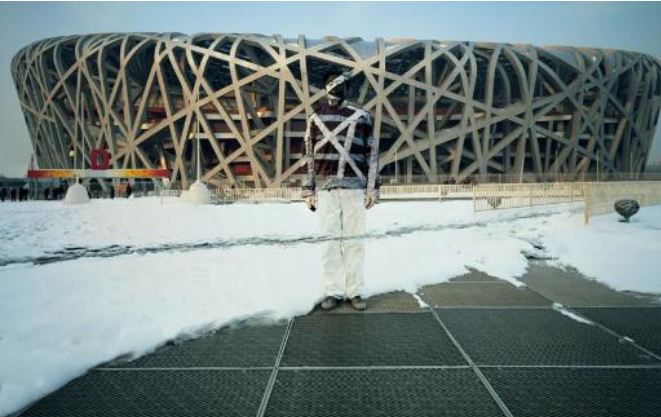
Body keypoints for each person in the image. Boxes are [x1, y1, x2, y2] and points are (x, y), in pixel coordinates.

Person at [302, 69, 381, 311]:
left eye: (341, 85)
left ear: (348, 89)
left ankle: (354, 292)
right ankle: (333, 292)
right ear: (325, 87)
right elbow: (309, 156)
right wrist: (309, 190)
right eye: (331, 84)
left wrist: (372, 189)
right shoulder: (315, 118)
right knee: (329, 242)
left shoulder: (362, 117)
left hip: (355, 190)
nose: (336, 88)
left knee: (355, 242)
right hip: (326, 190)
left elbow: (372, 155)